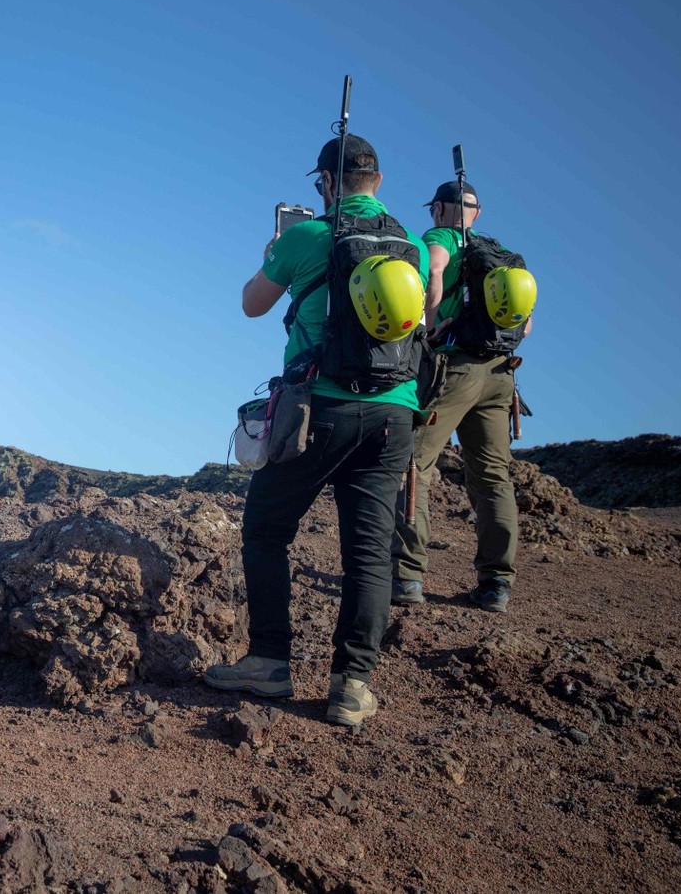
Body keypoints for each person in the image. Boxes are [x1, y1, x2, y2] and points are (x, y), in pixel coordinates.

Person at [204, 134, 429, 727]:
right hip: (394, 415)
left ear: (327, 183)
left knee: (266, 529)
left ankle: (270, 663)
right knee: (368, 552)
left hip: (318, 412)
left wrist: (275, 248)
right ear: (377, 181)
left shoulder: (306, 237)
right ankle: (351, 687)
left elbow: (253, 303)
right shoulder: (411, 248)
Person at [390, 180, 529, 613]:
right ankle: (496, 585)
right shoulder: (502, 255)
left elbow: (433, 269)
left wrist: (427, 324)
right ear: (477, 213)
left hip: (454, 369)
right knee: (492, 476)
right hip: (501, 374)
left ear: (440, 210)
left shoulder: (441, 238)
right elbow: (525, 325)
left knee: (415, 463)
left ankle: (407, 575)